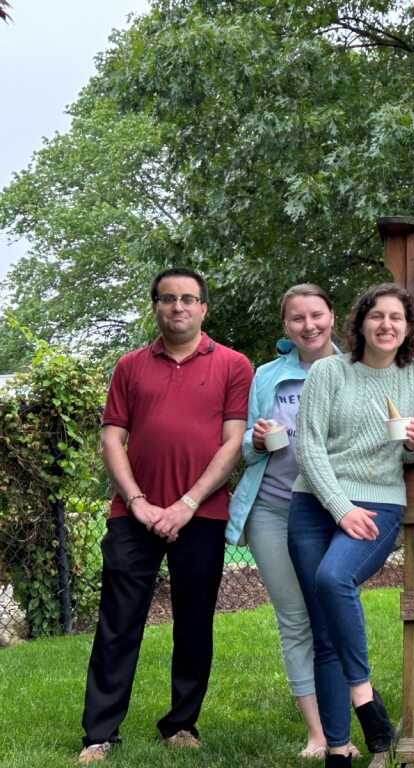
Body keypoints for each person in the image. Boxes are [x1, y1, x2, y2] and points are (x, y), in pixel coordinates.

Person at [79, 268, 253, 763]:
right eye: (168, 299)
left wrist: (187, 504)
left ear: (203, 308)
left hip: (202, 514)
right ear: (155, 306)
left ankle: (181, 724)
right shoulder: (129, 366)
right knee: (118, 621)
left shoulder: (234, 365)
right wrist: (137, 502)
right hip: (131, 514)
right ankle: (99, 734)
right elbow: (112, 439)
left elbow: (233, 442)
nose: (178, 307)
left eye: (188, 299)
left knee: (194, 623)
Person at [288, 283, 414, 768]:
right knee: (324, 631)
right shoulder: (330, 371)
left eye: (397, 317)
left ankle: (365, 697)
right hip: (314, 503)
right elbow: (308, 448)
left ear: (408, 327)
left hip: (379, 502)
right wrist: (338, 507)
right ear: (360, 323)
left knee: (335, 578)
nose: (386, 325)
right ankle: (338, 749)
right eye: (377, 316)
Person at [227, 284, 341, 760]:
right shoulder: (267, 376)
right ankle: (317, 732)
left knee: (335, 615)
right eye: (297, 319)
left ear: (332, 316)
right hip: (272, 511)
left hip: (333, 510)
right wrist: (256, 440)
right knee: (295, 619)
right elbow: (245, 453)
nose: (309, 326)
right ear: (286, 327)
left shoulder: (354, 369)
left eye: (316, 315)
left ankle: (349, 706)